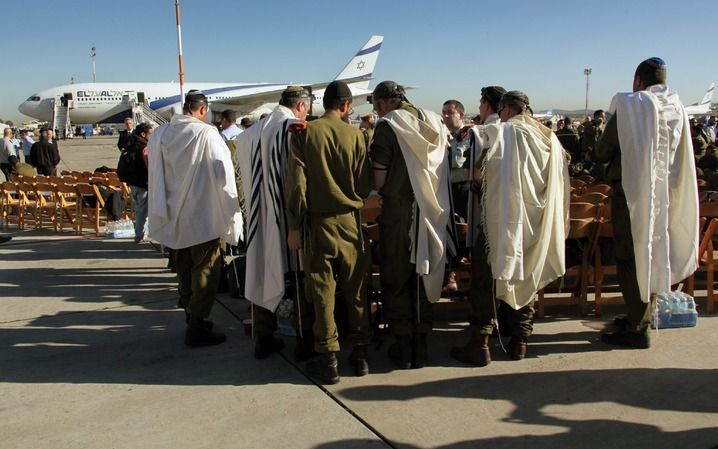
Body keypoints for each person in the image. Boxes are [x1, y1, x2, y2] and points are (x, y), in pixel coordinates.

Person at [595, 57, 698, 348]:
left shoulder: (632, 105)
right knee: (652, 253)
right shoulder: (677, 107)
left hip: (632, 196)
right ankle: (640, 314)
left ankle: (638, 326)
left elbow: (603, 150)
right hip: (663, 195)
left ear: (638, 80)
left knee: (630, 257)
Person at [468, 91, 568, 362]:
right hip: (536, 224)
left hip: (502, 222)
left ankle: (481, 342)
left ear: (505, 110)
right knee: (528, 276)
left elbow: (480, 174)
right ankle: (520, 342)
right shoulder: (549, 137)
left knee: (487, 277)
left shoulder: (504, 134)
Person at [285, 80, 372, 384]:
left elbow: (297, 185)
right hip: (350, 222)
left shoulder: (305, 132)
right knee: (356, 289)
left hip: (318, 223)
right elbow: (364, 186)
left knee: (323, 292)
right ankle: (360, 355)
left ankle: (328, 359)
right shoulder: (357, 136)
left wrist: (294, 226)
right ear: (347, 106)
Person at [147, 90, 243, 347]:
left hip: (173, 219)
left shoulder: (161, 134)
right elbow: (225, 178)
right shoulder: (207, 134)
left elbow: (154, 173)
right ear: (202, 110)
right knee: (206, 273)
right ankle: (197, 326)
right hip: (203, 219)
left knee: (184, 271)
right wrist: (233, 217)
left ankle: (192, 317)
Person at [370, 81, 454, 370]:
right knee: (425, 273)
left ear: (382, 104)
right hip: (432, 210)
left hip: (399, 212)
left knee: (397, 276)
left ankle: (403, 346)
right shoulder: (434, 121)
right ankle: (422, 343)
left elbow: (378, 180)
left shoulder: (388, 126)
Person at [235, 86, 313, 360]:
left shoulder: (253, 132)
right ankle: (304, 341)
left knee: (263, 270)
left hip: (261, 214)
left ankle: (263, 337)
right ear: (302, 106)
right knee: (298, 275)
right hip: (289, 215)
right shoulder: (294, 127)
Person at [450, 85, 508, 365]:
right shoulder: (522, 133)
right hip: (513, 218)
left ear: (487, 105)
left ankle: (480, 340)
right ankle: (514, 335)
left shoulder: (481, 133)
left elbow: (468, 169)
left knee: (484, 279)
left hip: (485, 217)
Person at [121, 123, 153, 243]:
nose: (152, 136)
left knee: (139, 209)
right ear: (143, 134)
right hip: (142, 183)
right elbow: (149, 166)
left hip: (132, 182)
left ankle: (140, 232)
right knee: (143, 210)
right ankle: (140, 234)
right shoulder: (144, 147)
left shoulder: (130, 144)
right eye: (150, 133)